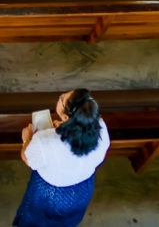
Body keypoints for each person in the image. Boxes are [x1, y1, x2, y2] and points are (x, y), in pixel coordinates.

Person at [15, 89, 110, 227]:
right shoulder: (100, 126)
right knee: (68, 221)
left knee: (38, 220)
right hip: (83, 188)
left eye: (62, 98)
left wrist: (27, 138)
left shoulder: (46, 139)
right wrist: (66, 127)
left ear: (66, 117)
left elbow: (28, 158)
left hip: (52, 194)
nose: (61, 96)